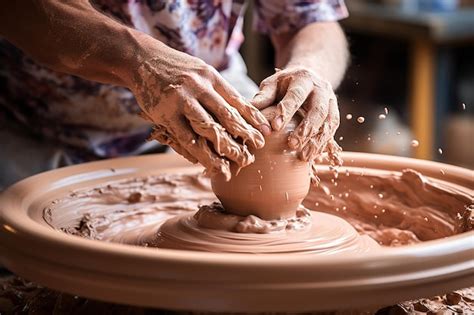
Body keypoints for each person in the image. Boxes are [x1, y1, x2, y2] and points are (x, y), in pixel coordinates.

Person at [0, 0, 349, 188]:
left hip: (211, 91)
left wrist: (311, 69)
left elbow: (309, 18)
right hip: (34, 116)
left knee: (270, 149)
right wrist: (137, 61)